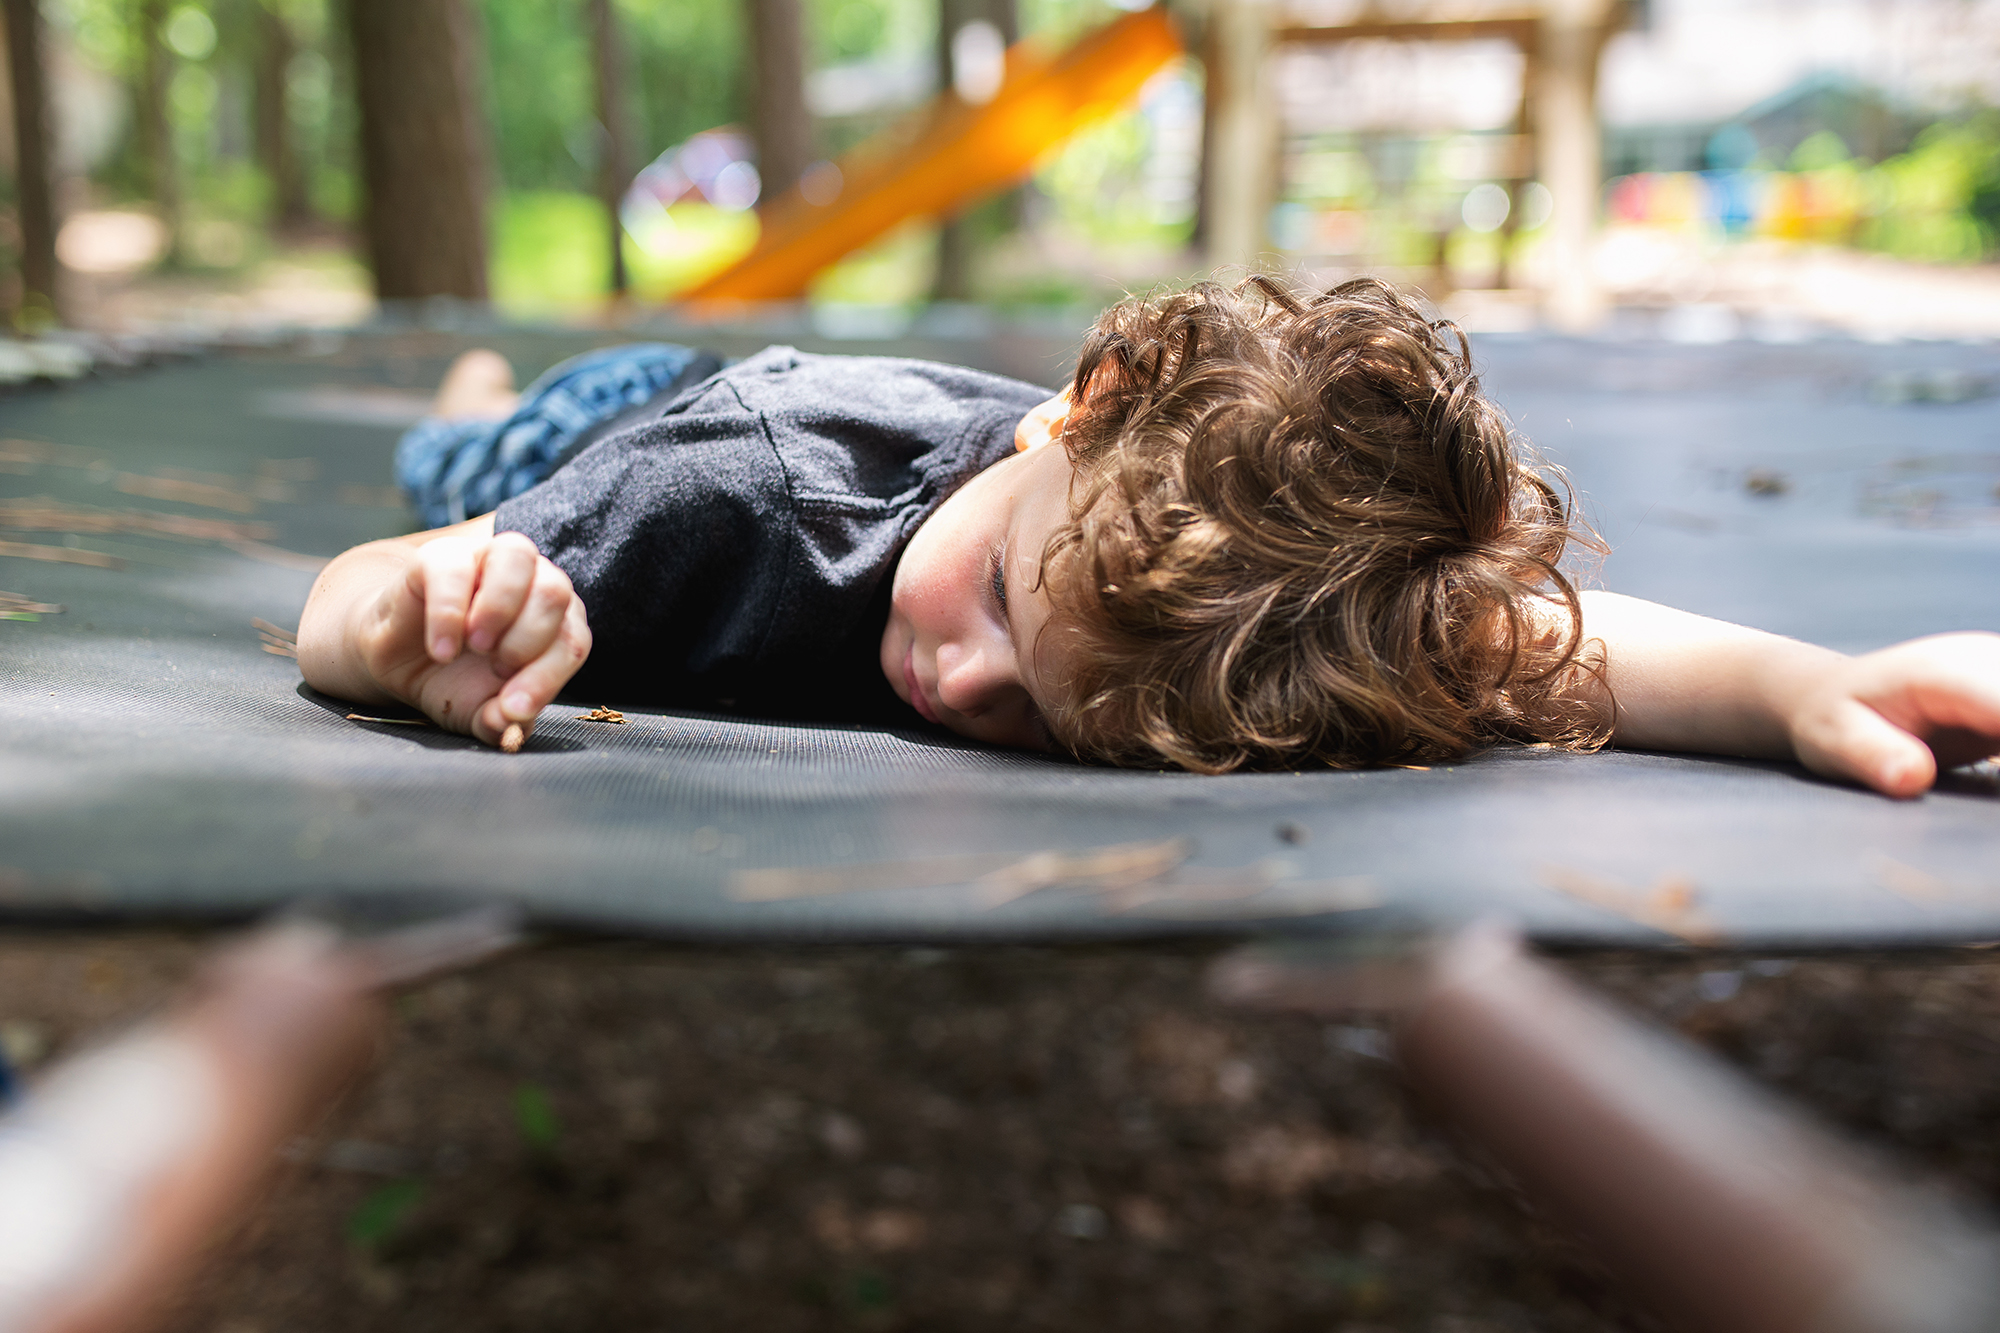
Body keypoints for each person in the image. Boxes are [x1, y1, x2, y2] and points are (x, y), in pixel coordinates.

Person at [296, 277, 2000, 797]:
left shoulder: (1220, 605)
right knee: (467, 461)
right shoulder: (723, 491)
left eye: (1039, 709)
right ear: (1078, 404)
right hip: (636, 409)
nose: (953, 678)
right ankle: (465, 379)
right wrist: (414, 620)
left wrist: (1806, 688)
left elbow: (1528, 638)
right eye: (995, 605)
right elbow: (340, 610)